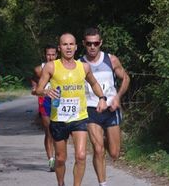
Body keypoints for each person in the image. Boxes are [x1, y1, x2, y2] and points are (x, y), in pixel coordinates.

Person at [35, 32, 107, 186]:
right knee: (61, 158)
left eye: (71, 44)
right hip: (59, 119)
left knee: (81, 156)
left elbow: (93, 83)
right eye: (64, 44)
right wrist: (47, 91)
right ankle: (61, 183)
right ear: (60, 48)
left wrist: (102, 98)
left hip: (79, 117)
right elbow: (38, 89)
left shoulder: (84, 67)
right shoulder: (51, 66)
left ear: (76, 47)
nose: (68, 47)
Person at [80, 27, 130, 186]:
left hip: (111, 109)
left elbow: (126, 78)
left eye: (95, 43)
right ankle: (103, 183)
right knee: (98, 149)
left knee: (114, 153)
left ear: (100, 43)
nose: (92, 47)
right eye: (89, 43)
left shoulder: (111, 59)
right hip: (91, 109)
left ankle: (105, 137)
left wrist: (117, 97)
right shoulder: (79, 64)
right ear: (84, 44)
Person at [31, 44, 58, 172]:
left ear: (57, 55)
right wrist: (34, 89)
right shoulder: (38, 69)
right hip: (44, 99)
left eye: (53, 54)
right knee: (49, 130)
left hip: (59, 100)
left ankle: (59, 156)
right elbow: (34, 82)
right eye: (48, 54)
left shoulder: (62, 67)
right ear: (45, 55)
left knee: (58, 130)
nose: (51, 57)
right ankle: (51, 159)